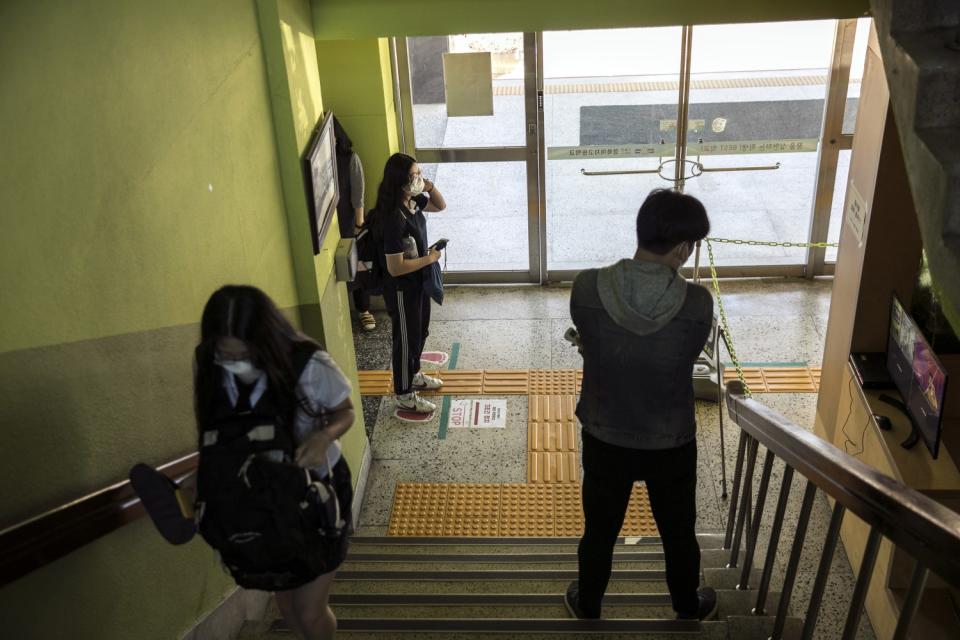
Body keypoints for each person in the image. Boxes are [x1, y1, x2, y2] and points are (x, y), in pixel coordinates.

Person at [565, 189, 718, 621]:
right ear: (684, 248)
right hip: (671, 440)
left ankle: (589, 604)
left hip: (604, 434)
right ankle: (687, 607)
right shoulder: (697, 304)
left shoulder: (587, 288)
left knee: (599, 530)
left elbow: (592, 339)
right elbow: (685, 355)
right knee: (677, 532)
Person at [194, 285, 355, 640]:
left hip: (318, 493)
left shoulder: (307, 363)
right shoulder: (211, 367)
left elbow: (345, 411)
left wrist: (323, 436)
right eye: (225, 352)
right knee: (286, 607)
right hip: (265, 496)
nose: (236, 362)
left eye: (246, 353)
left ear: (265, 340)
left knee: (310, 612)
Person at [373, 152, 447, 414]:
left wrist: (428, 185)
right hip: (402, 289)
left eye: (419, 172)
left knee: (420, 333)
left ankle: (413, 374)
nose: (419, 177)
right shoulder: (393, 217)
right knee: (406, 340)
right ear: (400, 182)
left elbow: (440, 206)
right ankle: (404, 393)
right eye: (414, 175)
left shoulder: (412, 201)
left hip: (417, 284)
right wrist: (430, 259)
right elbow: (395, 268)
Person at [332, 116, 377, 332]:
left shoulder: (349, 158)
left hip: (349, 223)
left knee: (357, 269)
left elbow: (358, 193)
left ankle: (363, 310)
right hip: (329, 228)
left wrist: (359, 222)